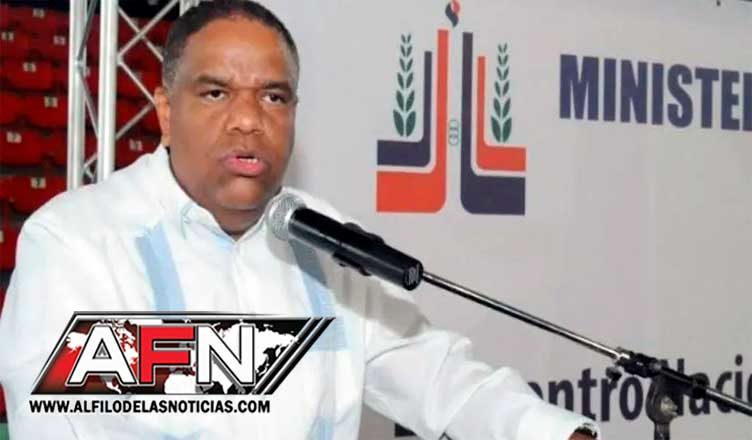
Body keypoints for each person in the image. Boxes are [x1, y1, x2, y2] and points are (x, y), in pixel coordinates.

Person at [0, 1, 599, 438]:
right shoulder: (77, 243)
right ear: (165, 111)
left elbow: (438, 376)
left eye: (273, 96)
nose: (248, 119)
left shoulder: (323, 237)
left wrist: (555, 434)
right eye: (216, 93)